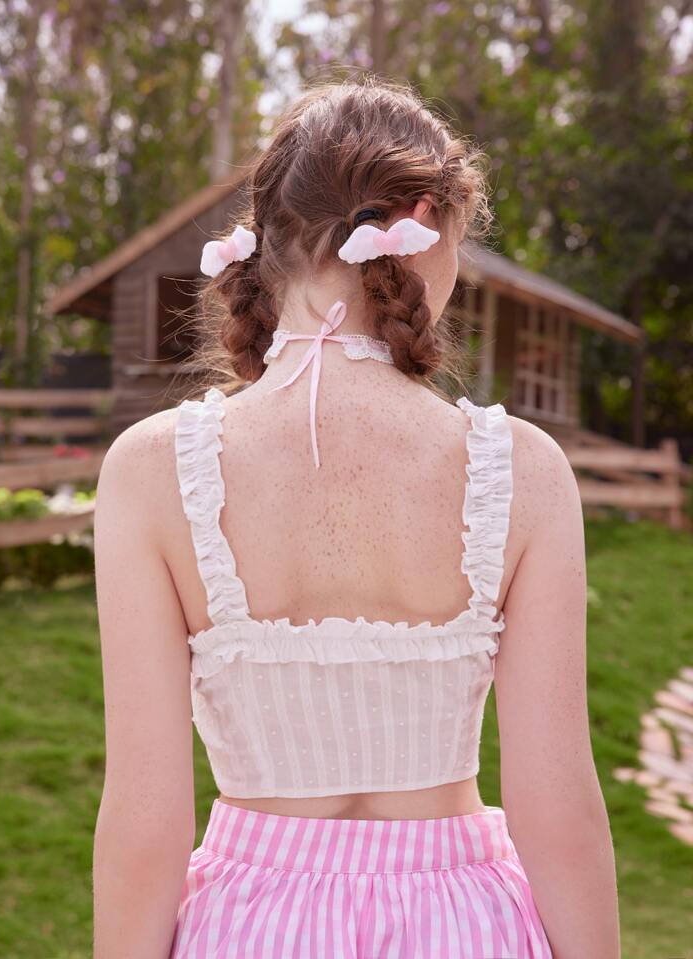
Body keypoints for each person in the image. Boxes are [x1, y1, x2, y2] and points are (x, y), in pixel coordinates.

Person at [91, 77, 620, 958]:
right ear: (426, 220)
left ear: (265, 244)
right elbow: (556, 808)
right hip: (464, 929)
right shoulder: (522, 471)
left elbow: (145, 824)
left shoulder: (149, 472)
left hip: (250, 931)